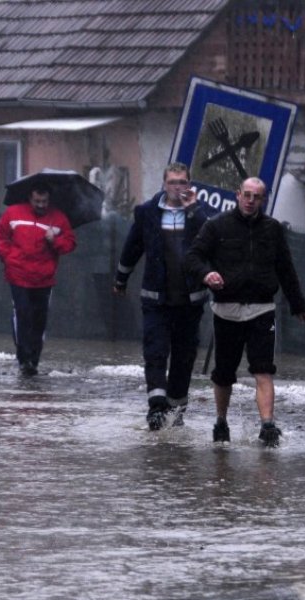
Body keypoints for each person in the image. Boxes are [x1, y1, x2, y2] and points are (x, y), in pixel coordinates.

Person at [185, 177, 305, 447]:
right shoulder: (217, 225)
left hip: (262, 309)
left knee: (263, 370)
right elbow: (193, 256)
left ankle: (267, 425)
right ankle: (221, 421)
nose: (251, 201)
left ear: (263, 200)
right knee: (224, 372)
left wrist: (297, 304)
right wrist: (207, 274)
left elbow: (285, 268)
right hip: (226, 310)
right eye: (247, 195)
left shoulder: (272, 229)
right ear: (238, 194)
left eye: (257, 197)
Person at [113, 162, 215, 430]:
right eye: (173, 182)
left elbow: (212, 242)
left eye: (182, 182)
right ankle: (157, 408)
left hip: (190, 301)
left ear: (189, 185)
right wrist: (121, 279)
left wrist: (194, 209)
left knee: (184, 357)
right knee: (155, 352)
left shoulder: (198, 214)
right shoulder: (147, 213)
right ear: (163, 183)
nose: (177, 188)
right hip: (156, 299)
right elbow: (132, 247)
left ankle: (177, 409)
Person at [0, 180, 76, 376]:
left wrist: (54, 240)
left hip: (44, 278)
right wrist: (9, 259)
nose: (41, 205)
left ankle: (34, 359)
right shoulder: (13, 213)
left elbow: (70, 243)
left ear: (49, 200)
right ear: (30, 198)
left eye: (44, 201)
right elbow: (0, 237)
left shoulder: (58, 218)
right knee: (22, 315)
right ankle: (24, 359)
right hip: (18, 275)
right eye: (37, 201)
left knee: (39, 319)